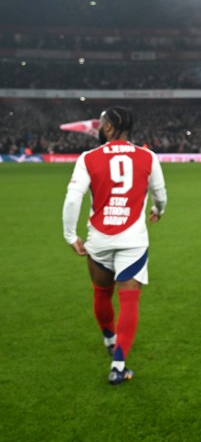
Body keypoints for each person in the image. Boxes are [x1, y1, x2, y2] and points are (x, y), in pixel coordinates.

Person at [61, 107, 167, 385]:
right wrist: (158, 209)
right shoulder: (147, 156)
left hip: (99, 239)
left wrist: (70, 235)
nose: (99, 127)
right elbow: (161, 195)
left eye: (102, 123)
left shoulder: (88, 158)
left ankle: (109, 338)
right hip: (132, 240)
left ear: (109, 128)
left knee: (102, 293)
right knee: (129, 300)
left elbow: (73, 199)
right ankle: (118, 366)